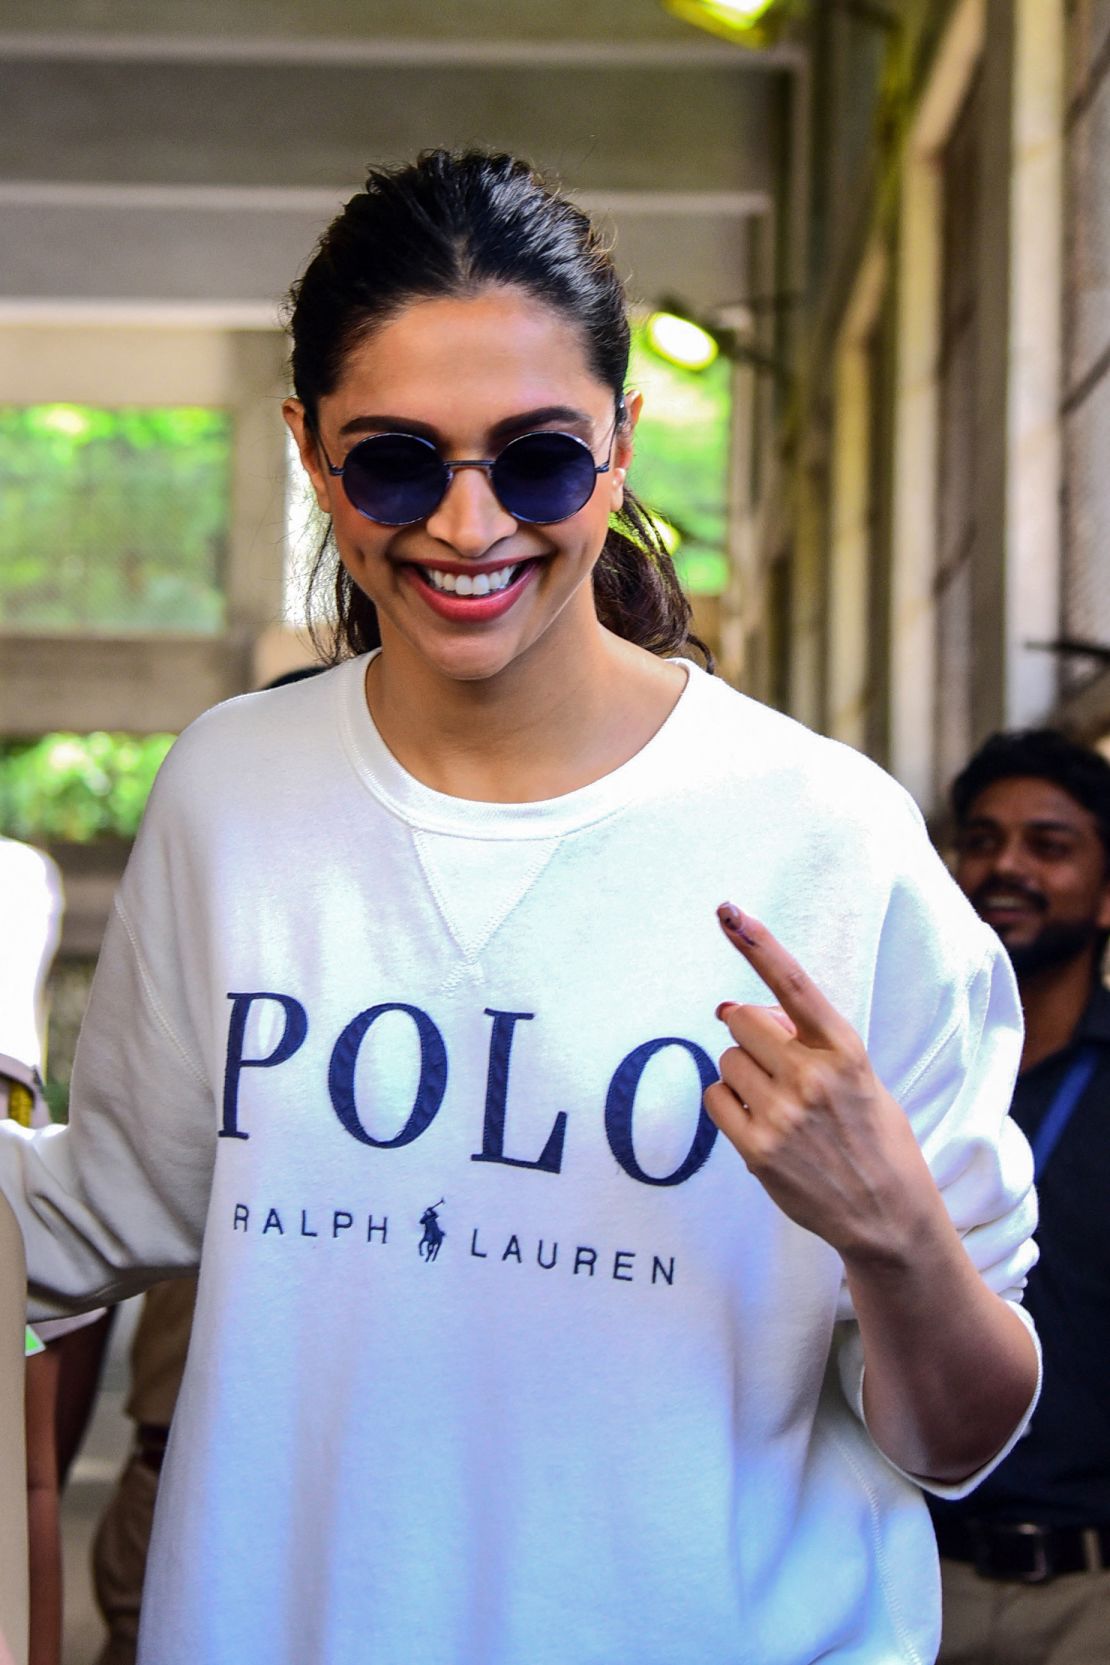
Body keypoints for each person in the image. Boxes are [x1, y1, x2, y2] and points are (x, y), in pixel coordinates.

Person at [1, 150, 1040, 1665]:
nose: (469, 527)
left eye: (537, 459)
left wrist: (893, 1238)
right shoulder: (234, 790)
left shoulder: (828, 840)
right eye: (398, 462)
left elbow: (960, 1438)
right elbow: (110, 1205)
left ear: (619, 445)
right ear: (310, 450)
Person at [929, 729, 1110, 1665]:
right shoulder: (910, 1076)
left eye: (1050, 844)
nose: (1006, 865)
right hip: (918, 1570)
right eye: (984, 839)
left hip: (1089, 1599)